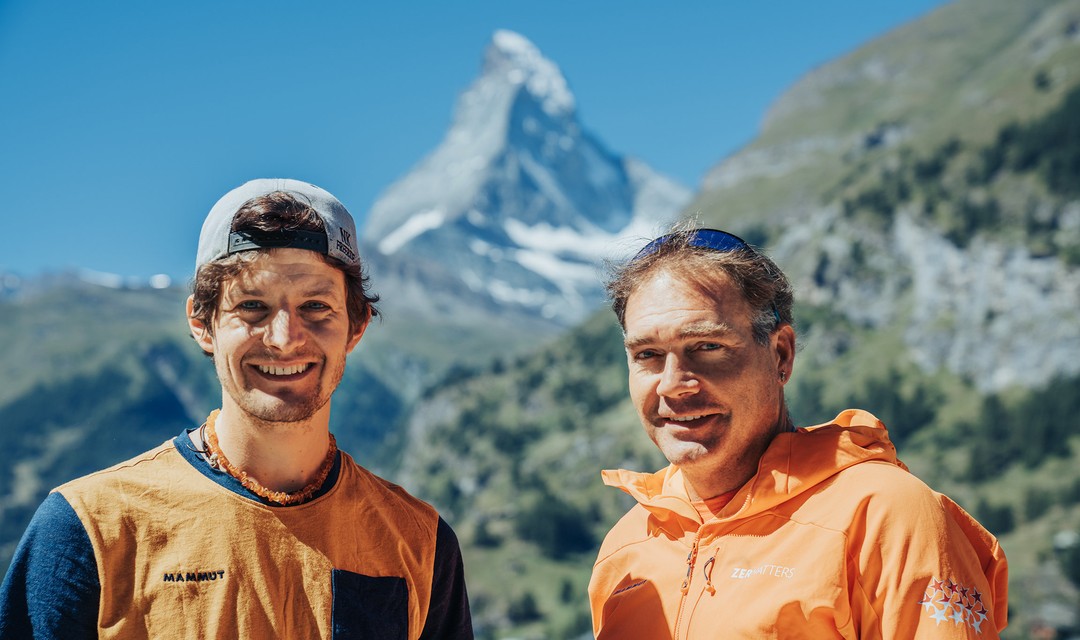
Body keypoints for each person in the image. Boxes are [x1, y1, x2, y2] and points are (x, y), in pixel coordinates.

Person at [0, 179, 473, 639]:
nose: (285, 338)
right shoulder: (87, 529)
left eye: (315, 306)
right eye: (252, 306)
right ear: (203, 324)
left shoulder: (421, 542)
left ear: (356, 325)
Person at [587, 226, 1008, 638]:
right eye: (648, 355)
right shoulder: (626, 546)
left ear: (781, 353)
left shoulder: (884, 515)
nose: (673, 383)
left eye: (707, 346)